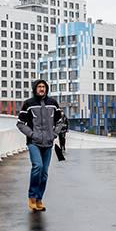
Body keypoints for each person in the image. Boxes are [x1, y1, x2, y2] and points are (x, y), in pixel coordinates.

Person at [16, 79, 67, 212]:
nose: (41, 89)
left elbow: (60, 121)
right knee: (37, 166)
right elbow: (20, 123)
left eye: (43, 86)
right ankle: (32, 197)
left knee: (44, 173)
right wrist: (32, 134)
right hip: (34, 142)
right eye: (39, 86)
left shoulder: (53, 103)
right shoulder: (28, 104)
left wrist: (54, 134)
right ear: (35, 89)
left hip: (48, 143)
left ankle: (39, 199)